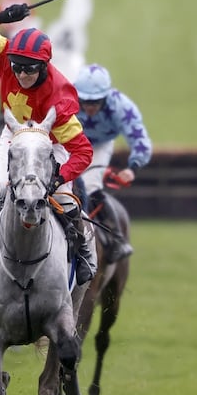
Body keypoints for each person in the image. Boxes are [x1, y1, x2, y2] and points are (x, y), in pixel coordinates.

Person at [0, 3, 96, 285]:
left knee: (64, 199)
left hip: (51, 143)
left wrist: (58, 178)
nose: (21, 75)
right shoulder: (4, 55)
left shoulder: (60, 99)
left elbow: (83, 151)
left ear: (43, 67)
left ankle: (84, 252)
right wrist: (0, 17)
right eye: (17, 68)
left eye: (29, 70)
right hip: (14, 135)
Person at [72, 63, 153, 262]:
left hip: (99, 146)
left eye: (96, 101)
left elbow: (140, 139)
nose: (90, 107)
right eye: (85, 101)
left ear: (106, 96)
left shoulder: (121, 106)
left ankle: (116, 239)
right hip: (70, 140)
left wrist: (133, 168)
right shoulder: (66, 97)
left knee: (90, 186)